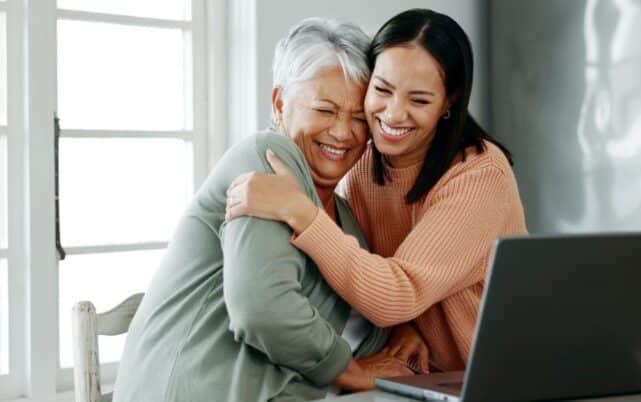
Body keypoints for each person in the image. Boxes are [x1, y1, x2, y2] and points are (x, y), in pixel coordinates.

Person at [112, 18, 424, 402]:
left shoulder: (340, 213)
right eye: (325, 110)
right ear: (280, 103)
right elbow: (261, 307)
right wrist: (353, 373)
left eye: (359, 117)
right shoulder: (267, 159)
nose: (343, 133)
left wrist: (398, 334)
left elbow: (352, 306)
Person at [226, 8, 528, 374]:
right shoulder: (363, 162)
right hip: (424, 378)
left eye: (419, 100)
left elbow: (397, 294)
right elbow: (356, 269)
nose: (394, 114)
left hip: (502, 379)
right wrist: (398, 337)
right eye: (382, 90)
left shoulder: (478, 175)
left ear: (449, 102)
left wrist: (302, 212)